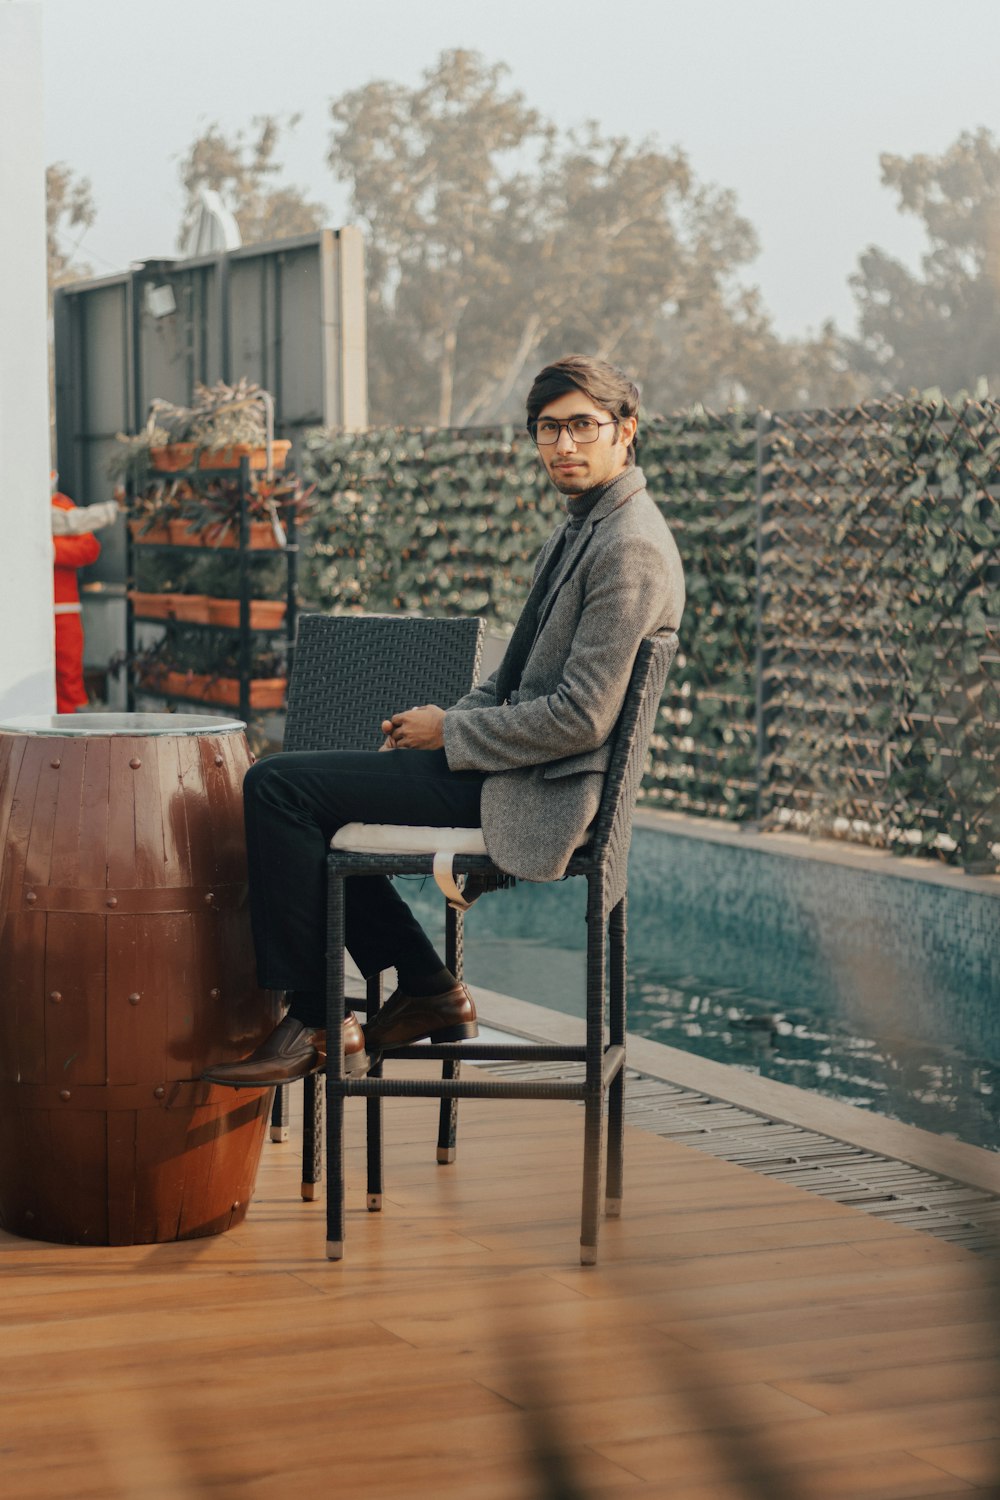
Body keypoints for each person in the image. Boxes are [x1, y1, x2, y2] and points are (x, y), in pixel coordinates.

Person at [204, 354, 685, 1088]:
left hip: (538, 791)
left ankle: (319, 1018)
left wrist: (451, 737)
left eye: (583, 426)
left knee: (278, 789)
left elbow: (583, 718)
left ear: (626, 430)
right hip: (511, 767)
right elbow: (510, 676)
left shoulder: (629, 547)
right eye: (548, 429)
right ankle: (427, 989)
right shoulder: (584, 528)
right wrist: (445, 719)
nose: (563, 446)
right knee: (297, 802)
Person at [51, 479, 119, 713]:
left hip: (64, 606)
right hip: (32, 608)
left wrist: (51, 550)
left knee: (69, 673)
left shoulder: (61, 504)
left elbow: (89, 547)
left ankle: (74, 741)